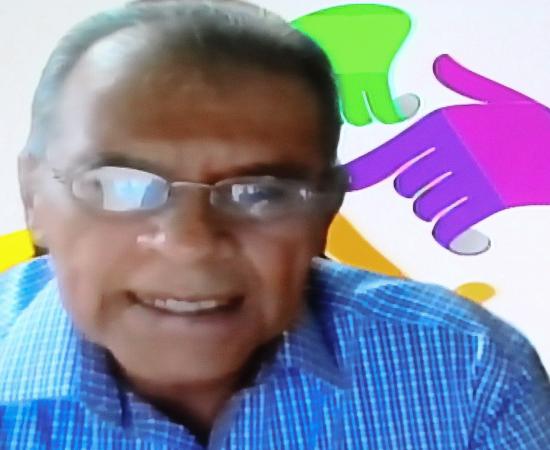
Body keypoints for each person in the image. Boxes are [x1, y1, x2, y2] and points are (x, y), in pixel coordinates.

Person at [0, 0, 549, 448]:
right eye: (119, 185)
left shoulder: (467, 371)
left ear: (325, 212)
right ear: (34, 199)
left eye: (259, 193)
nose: (192, 242)